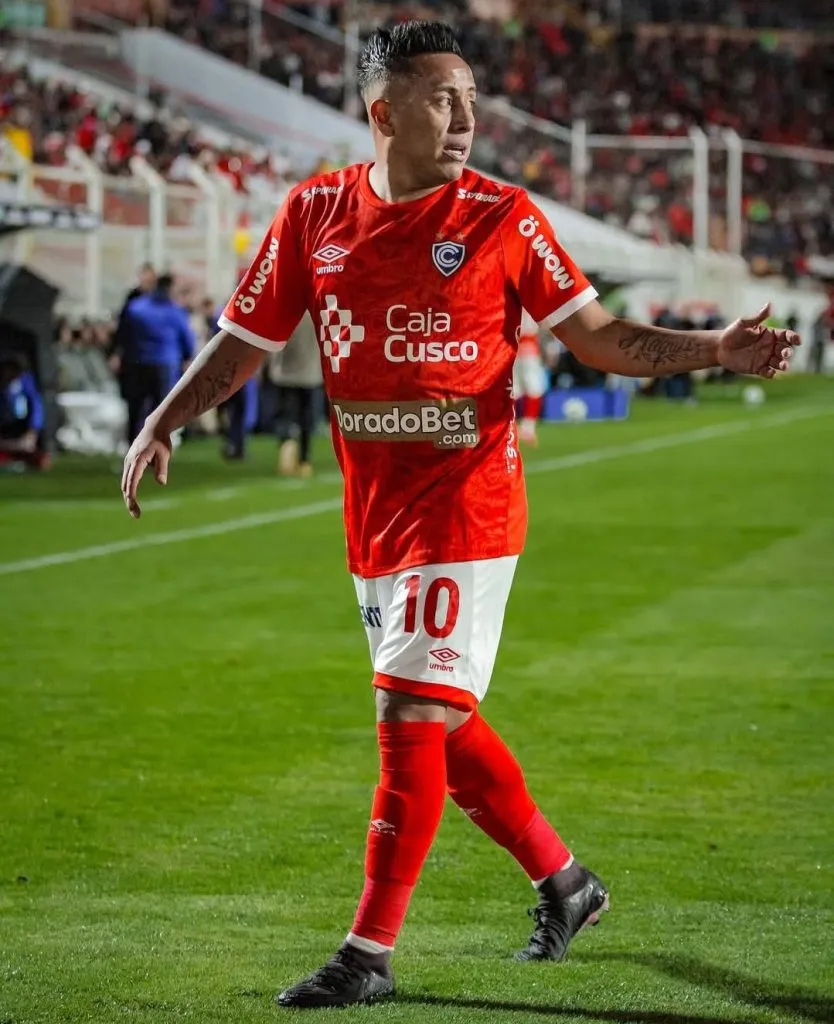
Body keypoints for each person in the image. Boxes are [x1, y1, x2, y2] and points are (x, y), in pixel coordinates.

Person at [121, 21, 799, 1010]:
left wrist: (713, 350)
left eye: (472, 101)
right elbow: (244, 339)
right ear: (383, 111)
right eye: (444, 99)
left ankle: (367, 953)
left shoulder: (503, 217)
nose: (466, 119)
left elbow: (598, 337)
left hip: (468, 504)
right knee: (443, 720)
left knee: (408, 712)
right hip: (375, 513)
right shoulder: (314, 213)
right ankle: (566, 881)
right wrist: (165, 418)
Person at [119, 273, 196, 443]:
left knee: (136, 407)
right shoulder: (175, 311)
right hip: (165, 363)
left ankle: (133, 444)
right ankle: (156, 445)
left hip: (137, 361)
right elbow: (187, 339)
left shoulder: (136, 307)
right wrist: (188, 357)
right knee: (161, 409)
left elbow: (123, 334)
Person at [266, 313, 324, 477]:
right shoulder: (317, 314)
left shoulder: (287, 314)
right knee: (306, 420)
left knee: (285, 416)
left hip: (284, 375)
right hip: (310, 375)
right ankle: (304, 460)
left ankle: (286, 449)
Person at [0, 352, 48, 470]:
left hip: (21, 430)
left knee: (40, 459)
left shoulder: (26, 384)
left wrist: (31, 433)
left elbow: (36, 407)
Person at [513, 309, 548, 446]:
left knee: (515, 389)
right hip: (528, 347)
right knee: (534, 388)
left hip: (513, 347)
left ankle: (511, 424)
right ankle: (527, 427)